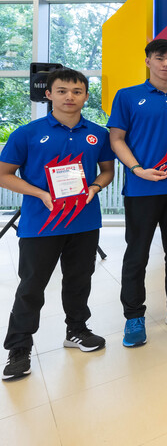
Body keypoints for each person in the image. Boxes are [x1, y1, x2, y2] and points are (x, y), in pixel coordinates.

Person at [0, 68, 114, 380]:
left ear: (86, 96)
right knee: (31, 287)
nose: (70, 97)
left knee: (79, 281)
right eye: (62, 91)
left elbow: (106, 171)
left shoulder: (98, 134)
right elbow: (4, 173)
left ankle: (76, 331)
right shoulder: (27, 133)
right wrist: (39, 193)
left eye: (77, 91)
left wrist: (95, 187)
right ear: (48, 94)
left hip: (84, 222)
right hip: (41, 224)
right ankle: (19, 348)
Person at [108, 38, 167, 347]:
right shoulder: (127, 97)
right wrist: (137, 169)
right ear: (147, 61)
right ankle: (134, 317)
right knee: (137, 255)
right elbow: (117, 139)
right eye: (160, 58)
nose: (166, 64)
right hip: (141, 187)